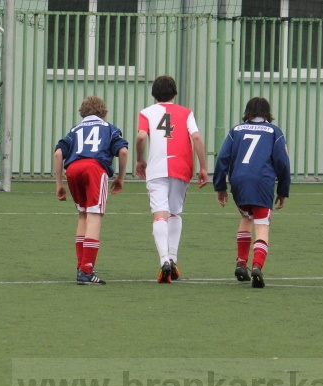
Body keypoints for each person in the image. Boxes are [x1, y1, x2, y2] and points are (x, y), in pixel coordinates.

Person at [135, 75, 208, 283]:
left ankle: (164, 260)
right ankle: (173, 260)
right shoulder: (186, 113)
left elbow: (141, 136)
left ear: (153, 94)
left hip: (157, 169)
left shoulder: (146, 113)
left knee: (160, 214)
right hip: (181, 167)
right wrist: (203, 166)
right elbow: (196, 137)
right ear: (174, 93)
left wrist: (140, 159)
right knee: (175, 213)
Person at [212, 97, 291, 289]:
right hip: (262, 181)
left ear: (247, 111)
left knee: (247, 218)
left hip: (239, 181)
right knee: (262, 225)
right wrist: (283, 190)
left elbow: (223, 158)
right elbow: (282, 163)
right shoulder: (274, 132)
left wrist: (220, 186)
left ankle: (241, 263)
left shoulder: (236, 130)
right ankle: (256, 266)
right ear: (267, 113)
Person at [54, 96, 129, 285]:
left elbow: (58, 153)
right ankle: (87, 270)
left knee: (83, 215)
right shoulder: (109, 128)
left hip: (72, 170)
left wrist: (59, 184)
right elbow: (124, 151)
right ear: (103, 113)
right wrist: (120, 177)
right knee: (95, 216)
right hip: (94, 168)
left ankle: (81, 266)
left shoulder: (75, 130)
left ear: (82, 113)